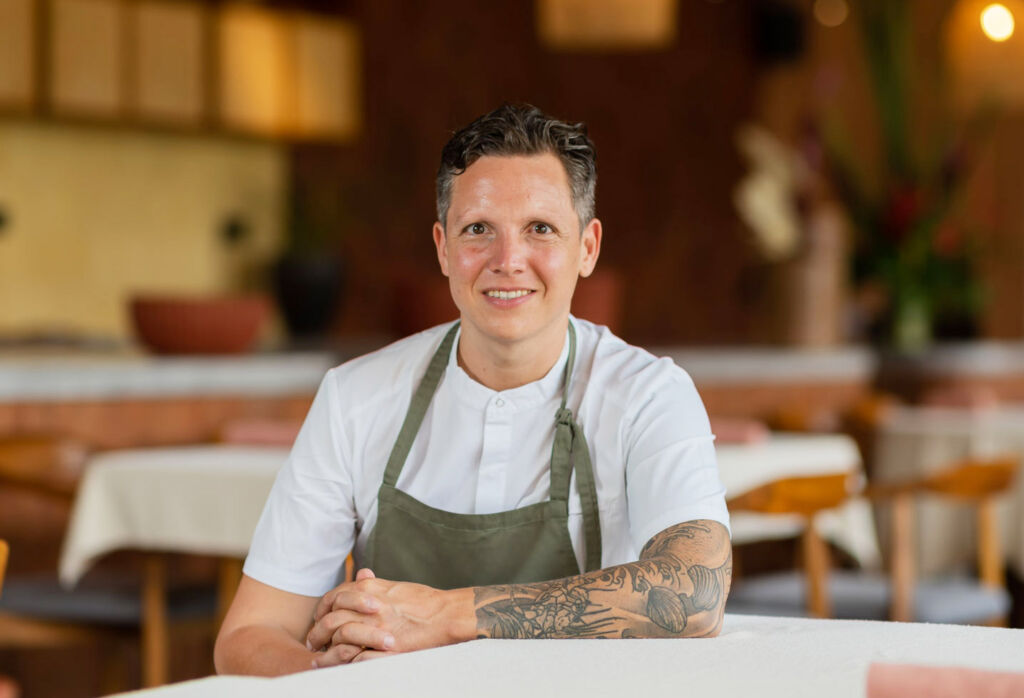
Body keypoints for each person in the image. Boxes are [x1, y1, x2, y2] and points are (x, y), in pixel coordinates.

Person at [214, 104, 731, 676]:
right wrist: (338, 686)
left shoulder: (648, 395)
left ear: (588, 248)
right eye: (478, 229)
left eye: (541, 229)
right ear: (441, 246)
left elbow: (695, 590)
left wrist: (449, 614)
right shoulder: (355, 398)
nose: (508, 261)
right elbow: (250, 633)